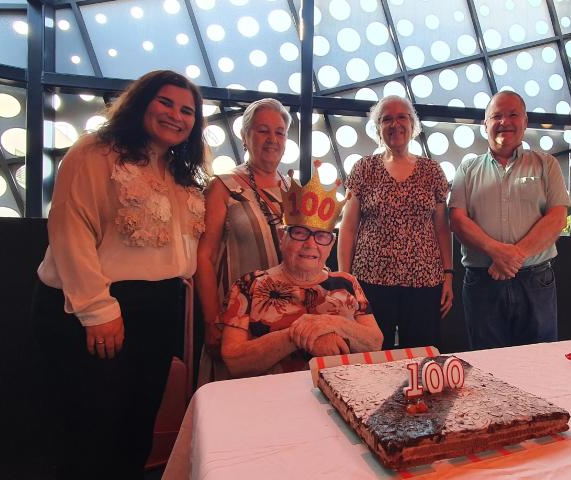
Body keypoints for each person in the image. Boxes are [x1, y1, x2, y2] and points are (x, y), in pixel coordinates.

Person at [32, 70, 207, 478]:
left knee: (136, 425)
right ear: (140, 101)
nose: (176, 116)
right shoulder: (96, 153)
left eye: (187, 111)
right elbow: (69, 229)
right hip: (98, 305)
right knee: (92, 429)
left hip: (158, 307)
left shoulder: (180, 172)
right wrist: (97, 309)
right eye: (166, 102)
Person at [221, 165, 383, 377]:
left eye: (321, 236)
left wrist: (329, 323)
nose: (310, 244)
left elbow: (375, 342)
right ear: (282, 238)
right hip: (270, 400)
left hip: (342, 393)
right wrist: (298, 336)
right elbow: (234, 360)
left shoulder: (346, 283)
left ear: (330, 245)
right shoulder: (249, 285)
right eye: (300, 232)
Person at [448, 90, 569, 349]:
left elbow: (557, 217)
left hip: (536, 282)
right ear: (485, 125)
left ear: (525, 122)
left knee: (539, 362)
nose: (505, 122)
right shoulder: (467, 169)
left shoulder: (546, 165)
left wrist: (514, 256)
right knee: (488, 368)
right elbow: (457, 219)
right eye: (496, 116)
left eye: (513, 114)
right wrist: (496, 251)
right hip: (483, 282)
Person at [338, 95, 453, 350]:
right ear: (378, 128)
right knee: (373, 355)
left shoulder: (432, 171)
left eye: (402, 117)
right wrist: (345, 279)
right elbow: (347, 228)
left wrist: (448, 276)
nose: (395, 124)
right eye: (386, 119)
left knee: (423, 356)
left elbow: (442, 229)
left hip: (425, 282)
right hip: (371, 281)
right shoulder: (363, 168)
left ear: (413, 124)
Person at [195, 98, 291, 384]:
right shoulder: (223, 186)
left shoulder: (292, 189)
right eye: (263, 130)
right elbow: (205, 257)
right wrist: (212, 320)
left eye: (279, 132)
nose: (272, 139)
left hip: (285, 320)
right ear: (245, 136)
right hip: (237, 321)